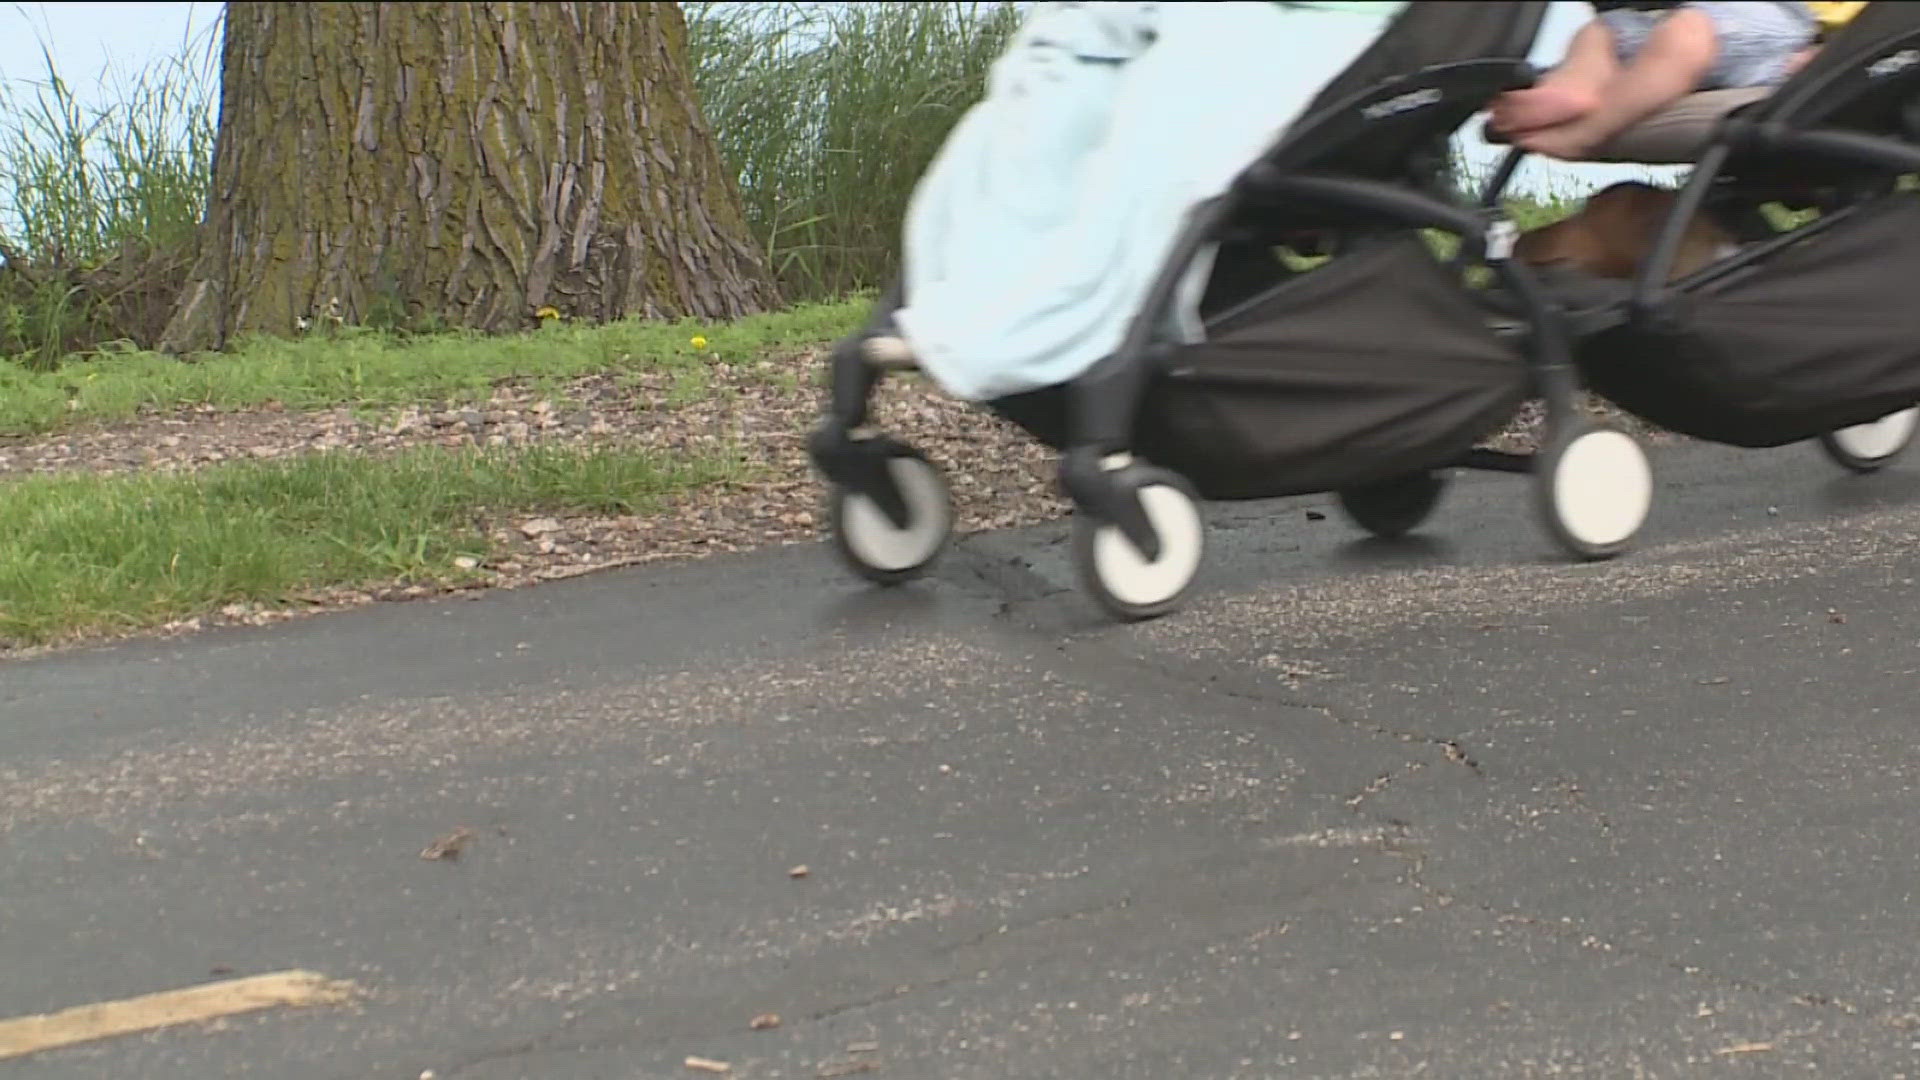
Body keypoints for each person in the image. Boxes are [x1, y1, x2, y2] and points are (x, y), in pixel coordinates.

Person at [1489, 2, 1822, 161]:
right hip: (1694, 30)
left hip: (1790, 25)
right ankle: (1571, 84)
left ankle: (1588, 128)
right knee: (1607, 31)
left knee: (1685, 32)